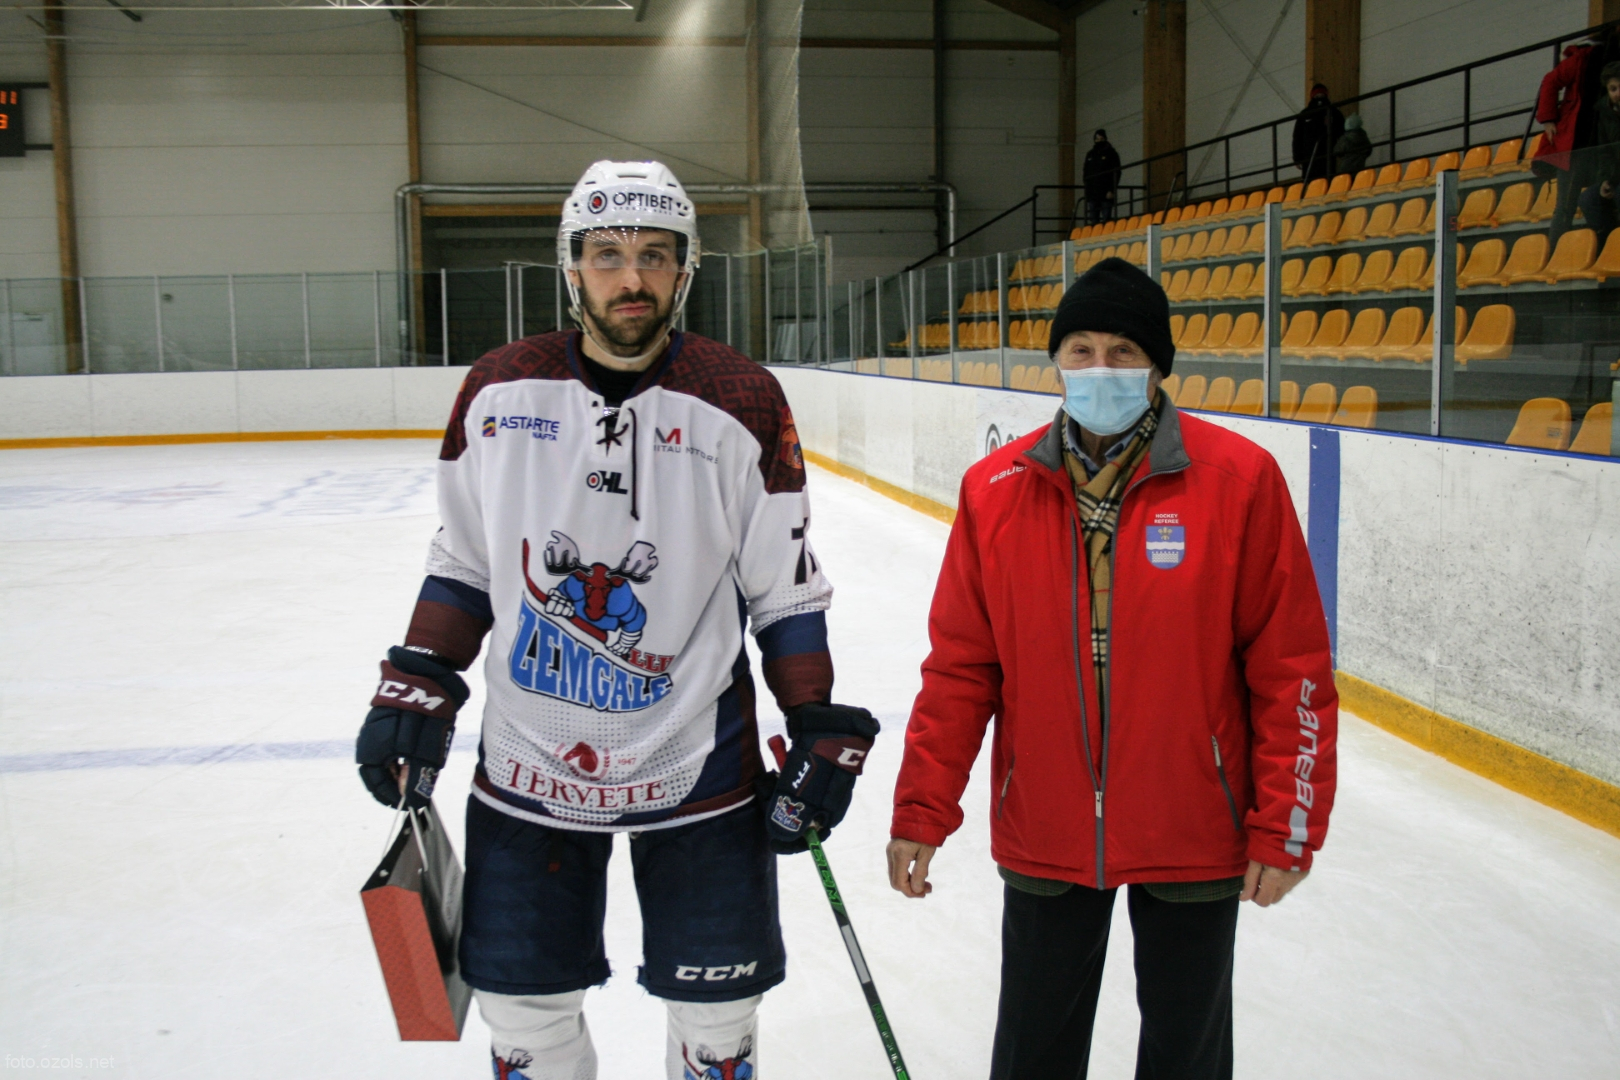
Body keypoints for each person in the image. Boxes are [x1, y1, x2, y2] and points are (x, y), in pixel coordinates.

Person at [355, 159, 880, 1080]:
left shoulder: (741, 397)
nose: (630, 278)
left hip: (699, 763)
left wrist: (814, 721)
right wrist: (420, 680)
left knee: (718, 1021)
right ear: (572, 267)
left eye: (653, 255)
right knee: (523, 1015)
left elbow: (784, 589)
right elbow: (467, 561)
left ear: (686, 269)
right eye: (606, 254)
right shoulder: (497, 390)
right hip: (529, 762)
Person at [886, 257, 1338, 1079]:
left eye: (1124, 351)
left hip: (1193, 820)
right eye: (1082, 350)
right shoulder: (996, 490)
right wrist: (922, 807)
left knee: (1186, 1055)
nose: (1101, 368)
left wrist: (1286, 824)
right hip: (1046, 818)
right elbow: (961, 668)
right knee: (1034, 1052)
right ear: (1056, 361)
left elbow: (1291, 670)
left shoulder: (1238, 481)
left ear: (1159, 365)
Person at [1536, 29, 1620, 243]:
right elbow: (1550, 81)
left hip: (1600, 145)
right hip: (1578, 146)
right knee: (1565, 206)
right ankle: (1555, 253)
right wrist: (1548, 119)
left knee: (1587, 201)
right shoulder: (1582, 58)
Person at [1578, 62, 1620, 250]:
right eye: (1613, 89)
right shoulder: (1604, 113)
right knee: (1588, 199)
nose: (1618, 93)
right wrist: (1604, 180)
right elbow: (1604, 152)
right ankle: (1608, 245)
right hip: (1615, 176)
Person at [1292, 83, 1345, 182]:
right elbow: (1297, 138)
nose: (1319, 98)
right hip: (1309, 156)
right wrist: (1297, 158)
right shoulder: (1305, 114)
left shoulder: (1333, 112)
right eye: (1317, 96)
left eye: (1322, 95)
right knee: (1311, 181)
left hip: (1327, 154)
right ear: (1313, 96)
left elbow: (1341, 133)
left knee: (1327, 180)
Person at [1082, 128, 1122, 226]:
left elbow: (1117, 172)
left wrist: (1111, 190)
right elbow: (1085, 172)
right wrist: (1087, 187)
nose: (1099, 141)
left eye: (1101, 139)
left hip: (1106, 192)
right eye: (1097, 139)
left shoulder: (1112, 153)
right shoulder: (1090, 154)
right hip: (1092, 192)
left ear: (1105, 139)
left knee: (1106, 220)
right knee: (1093, 221)